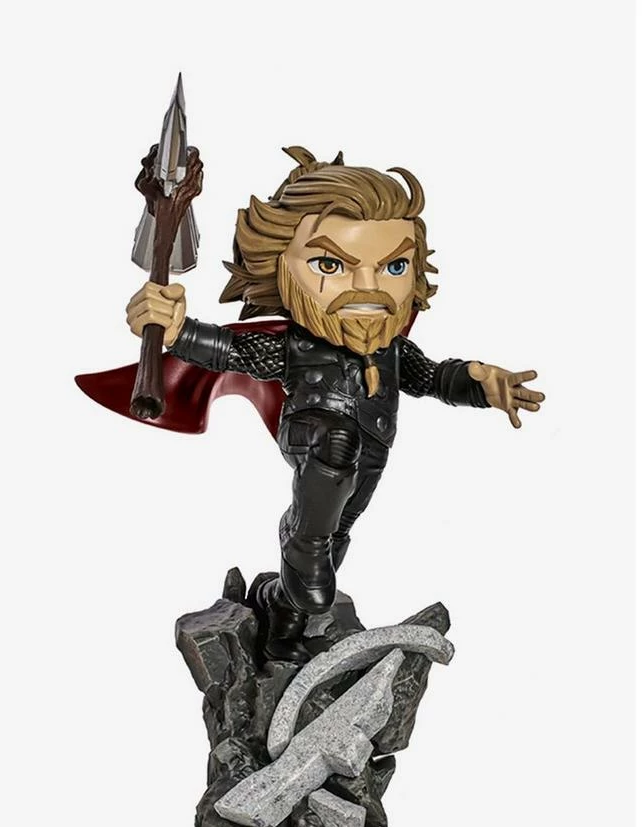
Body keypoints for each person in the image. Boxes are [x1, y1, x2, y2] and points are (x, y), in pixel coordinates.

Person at [123, 147, 545, 662]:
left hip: (373, 451)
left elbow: (432, 376)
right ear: (279, 268)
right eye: (331, 265)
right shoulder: (298, 346)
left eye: (393, 266)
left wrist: (480, 385)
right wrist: (177, 330)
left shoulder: (391, 350)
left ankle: (285, 612)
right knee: (333, 456)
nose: (367, 287)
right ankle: (302, 545)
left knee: (339, 531)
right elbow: (234, 351)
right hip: (312, 432)